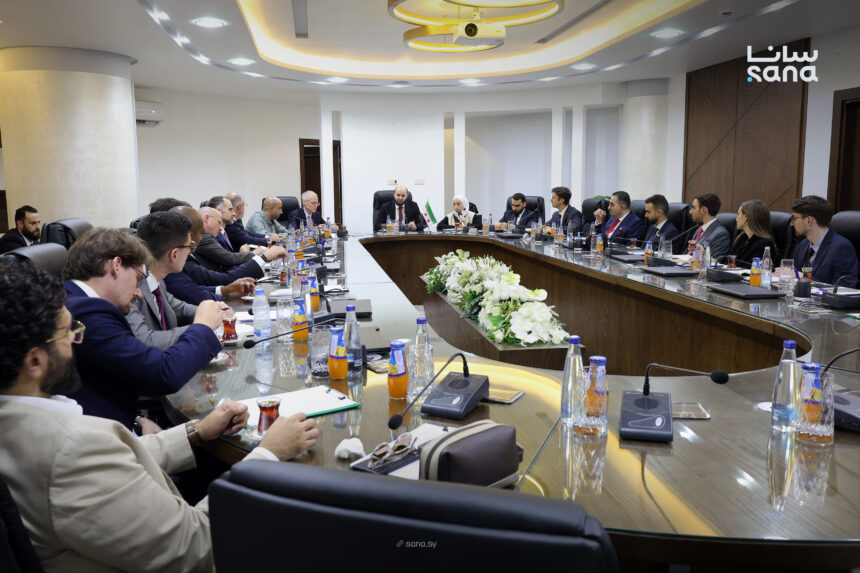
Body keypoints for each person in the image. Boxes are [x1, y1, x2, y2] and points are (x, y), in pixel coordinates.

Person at [0, 259, 319, 572]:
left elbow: (114, 460)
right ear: (34, 362)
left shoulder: (23, 425)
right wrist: (267, 454)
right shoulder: (71, 449)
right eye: (68, 332)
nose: (75, 339)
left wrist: (195, 432)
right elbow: (197, 547)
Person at [62, 227, 225, 428]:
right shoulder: (88, 313)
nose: (139, 293)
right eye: (138, 279)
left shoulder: (74, 300)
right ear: (116, 266)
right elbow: (163, 374)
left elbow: (100, 382)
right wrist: (203, 327)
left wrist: (137, 420)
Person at [127, 212, 225, 351]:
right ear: (174, 254)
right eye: (189, 247)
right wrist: (203, 326)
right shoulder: (130, 288)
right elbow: (145, 340)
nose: (190, 252)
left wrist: (213, 311)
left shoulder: (157, 280)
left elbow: (178, 307)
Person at [165, 206, 275, 305]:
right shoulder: (175, 266)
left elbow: (194, 289)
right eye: (201, 232)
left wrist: (223, 290)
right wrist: (264, 257)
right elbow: (226, 267)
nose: (201, 237)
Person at [789, 195, 859, 285]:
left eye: (795, 218)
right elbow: (795, 275)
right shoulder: (803, 244)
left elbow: (845, 287)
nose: (792, 224)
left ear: (808, 220)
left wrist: (804, 277)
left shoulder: (842, 248)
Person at [195, 207, 259, 272]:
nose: (220, 228)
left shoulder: (206, 235)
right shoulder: (204, 236)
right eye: (218, 223)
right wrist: (254, 253)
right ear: (206, 218)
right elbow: (229, 258)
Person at [729, 199, 778, 268]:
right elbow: (729, 262)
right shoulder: (742, 238)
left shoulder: (764, 244)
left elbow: (752, 268)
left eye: (738, 214)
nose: (736, 219)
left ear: (746, 217)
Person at [687, 193, 731, 260]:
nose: (690, 212)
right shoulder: (699, 229)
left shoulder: (721, 234)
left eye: (693, 208)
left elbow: (715, 262)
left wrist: (701, 254)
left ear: (703, 210)